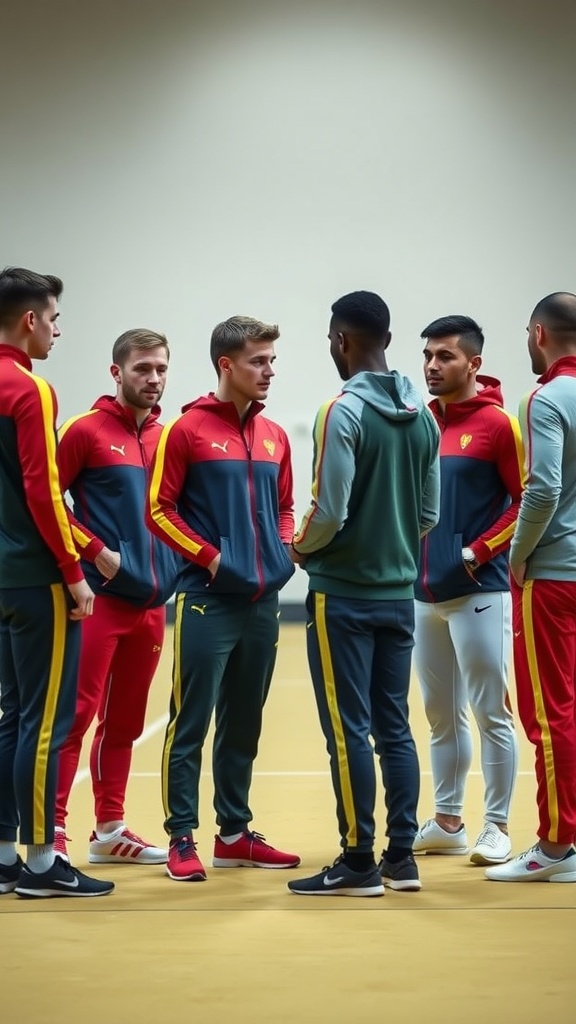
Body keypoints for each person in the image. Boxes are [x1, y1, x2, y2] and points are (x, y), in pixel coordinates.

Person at [286, 290, 440, 898]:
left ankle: (356, 862)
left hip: (341, 596)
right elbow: (427, 511)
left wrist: (302, 546)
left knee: (347, 728)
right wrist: (395, 546)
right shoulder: (424, 415)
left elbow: (331, 508)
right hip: (399, 594)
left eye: (330, 339)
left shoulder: (340, 412)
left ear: (343, 340)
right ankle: (401, 858)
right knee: (393, 726)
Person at [146, 315, 300, 881]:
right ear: (226, 365)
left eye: (272, 361)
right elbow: (159, 510)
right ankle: (180, 837)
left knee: (245, 724)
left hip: (262, 603)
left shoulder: (275, 435)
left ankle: (233, 834)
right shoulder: (184, 432)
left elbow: (284, 507)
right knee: (191, 720)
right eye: (258, 361)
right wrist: (211, 560)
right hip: (206, 600)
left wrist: (284, 549)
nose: (269, 371)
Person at [0, 266, 113, 899]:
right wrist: (73, 572)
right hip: (36, 575)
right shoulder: (28, 388)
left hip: (0, 579)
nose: (57, 331)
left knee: (11, 717)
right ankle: (42, 862)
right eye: (54, 319)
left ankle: (2, 853)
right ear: (30, 321)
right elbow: (43, 489)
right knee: (47, 723)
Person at [54, 329, 180, 866]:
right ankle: (51, 835)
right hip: (97, 599)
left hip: (151, 603)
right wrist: (96, 550)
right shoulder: (84, 431)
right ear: (117, 373)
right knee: (74, 715)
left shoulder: (168, 436)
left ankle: (109, 828)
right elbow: (45, 501)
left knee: (125, 722)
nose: (153, 380)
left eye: (160, 370)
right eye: (142, 369)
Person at [412, 316, 524, 866]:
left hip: (480, 590)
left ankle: (497, 826)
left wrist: (476, 552)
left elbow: (525, 501)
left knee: (491, 712)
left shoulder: (499, 425)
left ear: (473, 364)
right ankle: (449, 819)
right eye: (428, 355)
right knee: (439, 714)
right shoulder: (420, 424)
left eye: (445, 356)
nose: (433, 365)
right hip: (422, 593)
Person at [486, 292, 576, 883]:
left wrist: (517, 557)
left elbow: (540, 490)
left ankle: (555, 846)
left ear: (538, 334)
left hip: (555, 578)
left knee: (549, 715)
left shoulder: (545, 398)